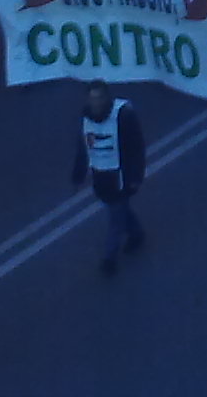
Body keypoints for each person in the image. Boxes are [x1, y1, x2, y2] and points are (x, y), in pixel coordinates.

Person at [70, 78, 147, 274]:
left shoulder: (123, 116)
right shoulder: (86, 118)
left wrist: (136, 177)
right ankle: (136, 233)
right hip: (101, 177)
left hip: (120, 177)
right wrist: (78, 174)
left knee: (115, 217)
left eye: (100, 98)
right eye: (92, 98)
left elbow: (136, 147)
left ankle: (109, 259)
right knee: (119, 211)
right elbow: (84, 146)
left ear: (107, 98)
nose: (96, 103)